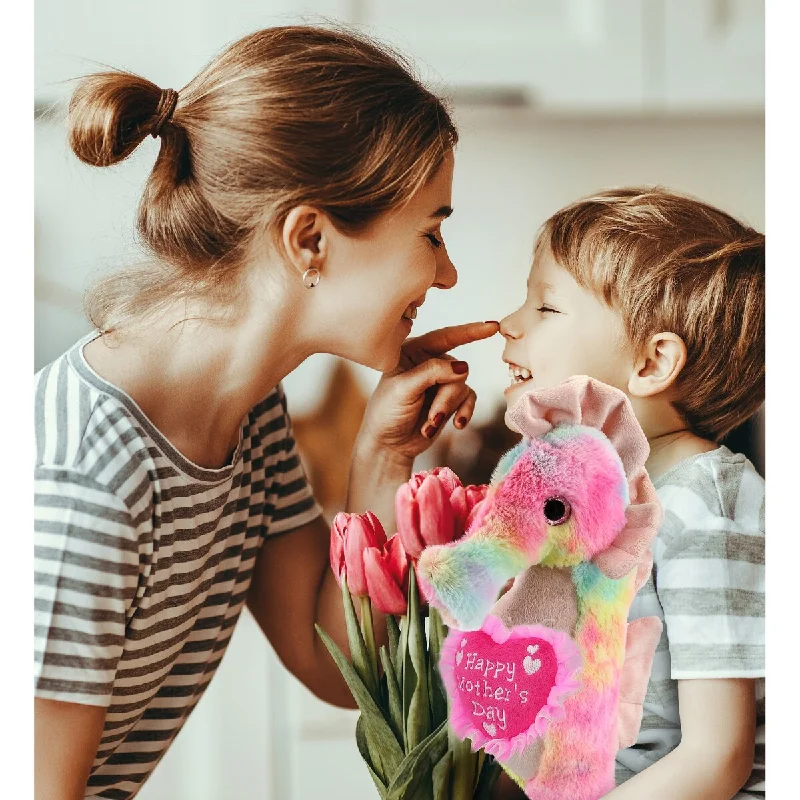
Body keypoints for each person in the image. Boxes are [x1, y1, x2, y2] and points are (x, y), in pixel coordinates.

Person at [33, 25, 500, 800]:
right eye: (431, 231)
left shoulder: (248, 416)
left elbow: (335, 667)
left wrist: (381, 458)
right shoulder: (87, 474)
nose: (445, 274)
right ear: (309, 238)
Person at [496, 187, 764, 799]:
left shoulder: (705, 506)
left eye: (546, 308)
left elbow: (715, 757)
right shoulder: (611, 503)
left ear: (650, 363)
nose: (508, 323)